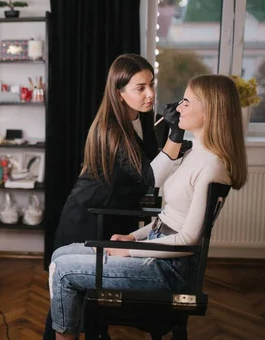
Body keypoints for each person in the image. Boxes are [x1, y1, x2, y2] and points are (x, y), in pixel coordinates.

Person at [48, 74, 248, 339]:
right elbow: (167, 217)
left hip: (167, 270)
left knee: (63, 272)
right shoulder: (194, 153)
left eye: (186, 102)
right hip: (154, 251)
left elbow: (188, 239)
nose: (178, 108)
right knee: (60, 255)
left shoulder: (212, 166)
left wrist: (130, 250)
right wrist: (133, 237)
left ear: (210, 109)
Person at [44, 53, 176, 340]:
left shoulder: (141, 120)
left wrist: (168, 133)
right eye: (140, 88)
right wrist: (175, 140)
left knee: (92, 306)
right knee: (67, 307)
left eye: (151, 85)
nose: (150, 94)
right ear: (119, 93)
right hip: (85, 219)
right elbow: (152, 178)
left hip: (111, 220)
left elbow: (151, 166)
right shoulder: (111, 129)